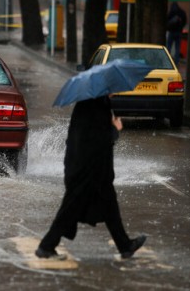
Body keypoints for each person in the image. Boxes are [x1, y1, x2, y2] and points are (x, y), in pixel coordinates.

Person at [35, 96, 146, 260]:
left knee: (110, 208)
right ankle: (46, 246)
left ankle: (125, 246)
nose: (115, 92)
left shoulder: (94, 103)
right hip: (86, 171)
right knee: (70, 210)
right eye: (112, 88)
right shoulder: (94, 106)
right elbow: (97, 140)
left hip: (94, 170)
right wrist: (115, 128)